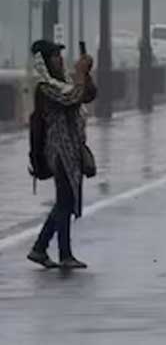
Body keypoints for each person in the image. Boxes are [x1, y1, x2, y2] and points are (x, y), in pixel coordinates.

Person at [27, 40, 97, 270]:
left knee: (64, 201)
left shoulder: (64, 81)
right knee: (65, 201)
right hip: (58, 151)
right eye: (55, 56)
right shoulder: (45, 87)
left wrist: (86, 74)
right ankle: (63, 254)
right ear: (45, 61)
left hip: (73, 149)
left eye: (59, 55)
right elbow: (71, 98)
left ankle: (40, 248)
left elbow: (87, 94)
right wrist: (79, 73)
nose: (59, 59)